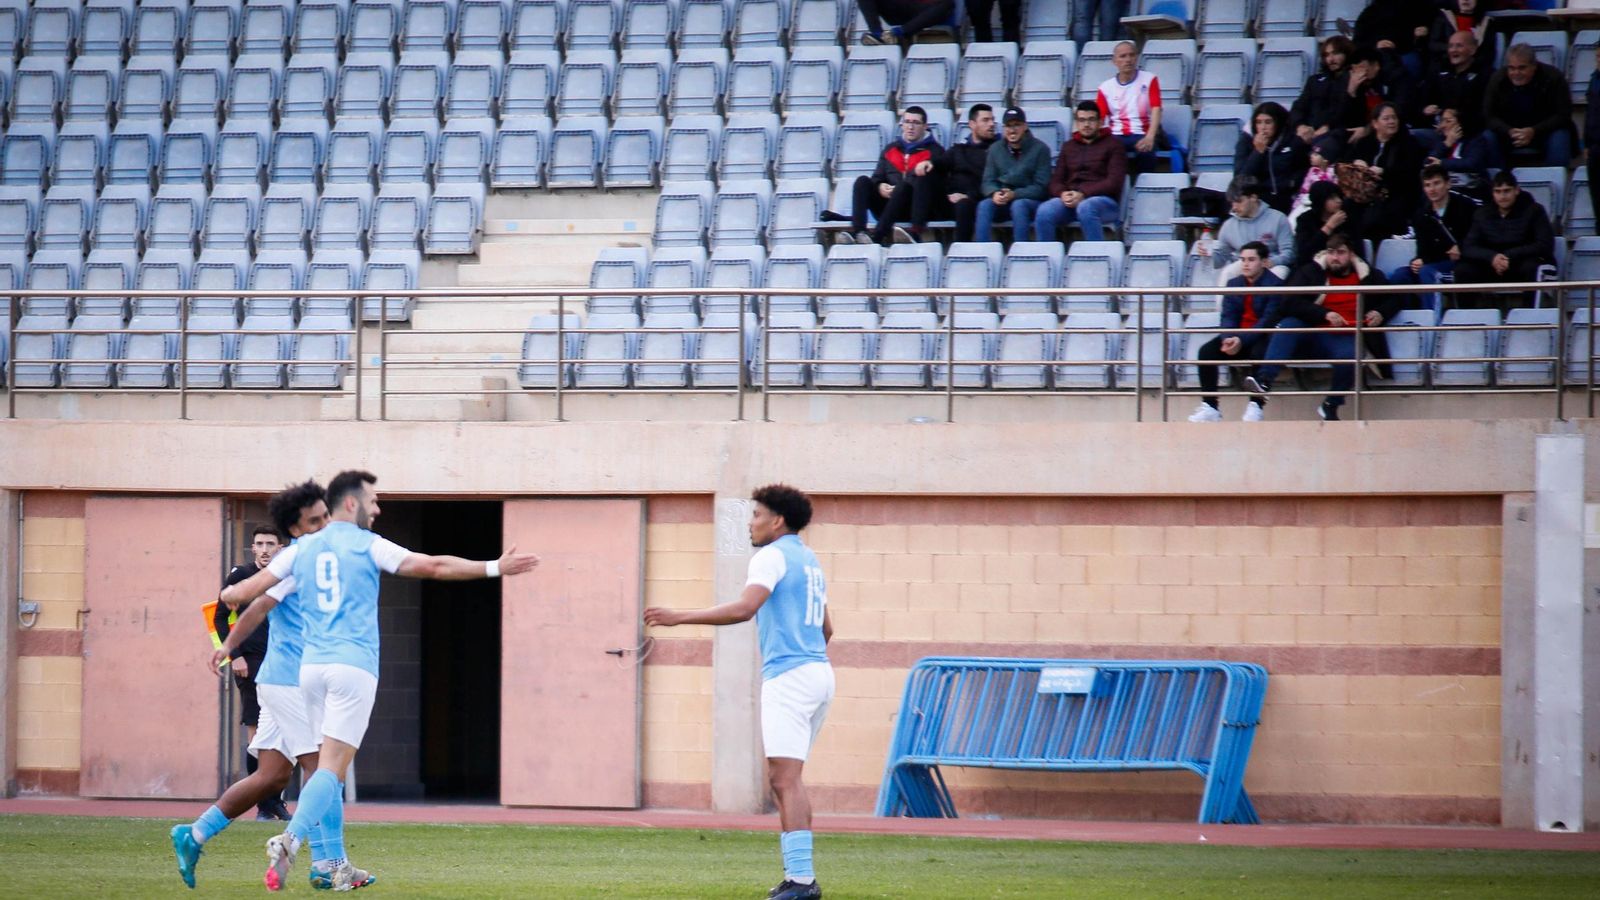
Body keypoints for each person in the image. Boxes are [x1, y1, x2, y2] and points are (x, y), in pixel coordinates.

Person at [215, 470, 541, 891]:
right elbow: (433, 566)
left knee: (317, 767)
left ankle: (323, 860)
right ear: (351, 504)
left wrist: (228, 600)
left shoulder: (303, 548)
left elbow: (248, 594)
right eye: (373, 500)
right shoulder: (368, 544)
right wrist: (495, 567)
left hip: (309, 670)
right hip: (352, 666)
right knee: (330, 769)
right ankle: (291, 840)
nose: (378, 508)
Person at [644, 485, 834, 900]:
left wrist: (679, 617)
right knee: (789, 779)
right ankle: (799, 877)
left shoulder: (771, 556)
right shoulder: (808, 558)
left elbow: (745, 608)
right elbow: (827, 628)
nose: (751, 523)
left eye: (757, 515)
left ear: (777, 521)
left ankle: (802, 882)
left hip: (791, 677)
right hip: (819, 674)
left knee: (784, 780)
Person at [172, 482, 359, 890]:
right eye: (317, 518)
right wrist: (229, 645)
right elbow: (255, 603)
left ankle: (195, 834)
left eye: (326, 516)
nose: (326, 523)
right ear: (298, 527)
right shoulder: (297, 560)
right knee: (324, 769)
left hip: (281, 680)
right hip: (289, 681)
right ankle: (328, 864)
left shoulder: (315, 559)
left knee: (271, 777)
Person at [1244, 234, 1400, 422]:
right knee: (1289, 325)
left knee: (1351, 355)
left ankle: (1331, 406)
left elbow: (1396, 297)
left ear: (1351, 255)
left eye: (1341, 253)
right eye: (1331, 252)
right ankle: (1263, 383)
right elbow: (1288, 302)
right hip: (1311, 332)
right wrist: (1324, 314)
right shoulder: (1311, 272)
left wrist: (1380, 312)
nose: (1335, 257)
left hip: (1344, 335)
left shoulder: (1369, 276)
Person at [217, 525, 290, 822]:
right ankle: (264, 806)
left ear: (280, 548)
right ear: (252, 547)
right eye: (259, 544)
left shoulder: (285, 575)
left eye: (270, 544)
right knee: (257, 734)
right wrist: (235, 656)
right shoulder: (240, 575)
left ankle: (275, 801)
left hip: (284, 664)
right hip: (252, 663)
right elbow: (219, 618)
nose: (264, 549)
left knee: (284, 735)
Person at [1187, 242, 1285, 424]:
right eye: (1243, 260)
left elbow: (1267, 322)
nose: (1245, 264)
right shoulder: (1234, 284)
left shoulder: (1276, 285)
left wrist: (1241, 340)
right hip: (1236, 337)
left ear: (1264, 262)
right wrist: (1228, 338)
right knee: (1206, 352)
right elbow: (1228, 316)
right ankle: (1210, 406)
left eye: (1251, 260)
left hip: (1262, 337)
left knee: (1259, 353)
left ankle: (1256, 406)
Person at [845, 106, 946, 246]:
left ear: (925, 126)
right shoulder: (890, 149)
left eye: (916, 123)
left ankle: (877, 237)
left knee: (903, 187)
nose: (910, 127)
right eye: (907, 122)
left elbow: (931, 184)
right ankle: (859, 232)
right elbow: (877, 177)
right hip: (889, 205)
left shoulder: (936, 152)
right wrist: (880, 186)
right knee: (862, 181)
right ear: (902, 125)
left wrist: (897, 188)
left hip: (914, 208)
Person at [1387, 164, 1479, 313]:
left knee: (1427, 271)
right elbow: (1423, 250)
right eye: (1427, 185)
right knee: (1400, 275)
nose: (1432, 189)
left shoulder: (1466, 207)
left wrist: (1461, 247)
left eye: (1436, 183)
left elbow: (1477, 236)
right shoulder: (1421, 214)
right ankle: (1409, 318)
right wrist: (1416, 262)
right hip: (1432, 262)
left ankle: (1430, 319)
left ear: (1448, 184)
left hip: (1460, 263)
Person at [1454, 170, 1556, 304]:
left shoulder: (1535, 210)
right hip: (1492, 265)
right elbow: (1469, 246)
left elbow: (1544, 244)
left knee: (1532, 267)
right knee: (1463, 270)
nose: (1502, 196)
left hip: (1522, 263)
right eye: (1498, 191)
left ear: (1516, 190)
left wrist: (1509, 256)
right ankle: (1466, 315)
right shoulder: (1482, 213)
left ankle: (1530, 315)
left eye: (1507, 191)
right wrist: (1492, 257)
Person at [1032, 101, 1126, 243]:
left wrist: (1083, 194)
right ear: (1076, 123)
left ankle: (1097, 254)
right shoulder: (1068, 147)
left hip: (1104, 202)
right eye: (1082, 120)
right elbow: (1055, 180)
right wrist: (1063, 193)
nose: (1086, 125)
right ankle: (1047, 255)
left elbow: (1114, 182)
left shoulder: (1114, 145)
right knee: (1044, 211)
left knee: (1086, 207)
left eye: (1091, 120)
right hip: (1071, 200)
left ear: (1100, 122)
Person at [1340, 102, 1427, 242]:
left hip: (1395, 192)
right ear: (1375, 123)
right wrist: (1357, 163)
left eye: (1394, 118)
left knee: (1379, 215)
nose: (1392, 122)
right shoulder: (1364, 142)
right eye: (1386, 118)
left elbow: (1410, 173)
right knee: (1348, 207)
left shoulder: (1408, 143)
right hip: (1365, 193)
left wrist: (1384, 172)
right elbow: (1346, 161)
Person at [1483, 43, 1574, 168]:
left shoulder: (1553, 77)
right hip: (1509, 133)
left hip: (1545, 132)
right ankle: (1498, 178)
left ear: (1534, 66)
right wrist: (1509, 131)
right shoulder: (1498, 79)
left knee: (1560, 138)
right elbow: (1489, 116)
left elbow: (1563, 114)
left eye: (1522, 68)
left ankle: (1555, 175)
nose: (1516, 73)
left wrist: (1534, 131)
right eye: (1511, 68)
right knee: (1488, 137)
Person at [974, 106, 1052, 243]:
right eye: (1008, 126)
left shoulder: (1041, 149)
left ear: (1025, 126)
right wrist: (994, 193)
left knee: (1019, 205)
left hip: (1030, 201)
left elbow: (1041, 188)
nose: (1012, 130)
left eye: (1016, 125)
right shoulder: (995, 149)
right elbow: (987, 181)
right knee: (985, 205)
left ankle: (1021, 250)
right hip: (1003, 200)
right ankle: (982, 249)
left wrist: (1015, 194)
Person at [1201, 178, 1294, 284]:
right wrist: (1207, 255)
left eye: (1239, 201)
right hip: (1243, 264)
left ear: (1253, 197)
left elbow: (1289, 253)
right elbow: (1220, 260)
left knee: (1279, 273)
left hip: (1271, 264)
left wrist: (1273, 262)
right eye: (1232, 202)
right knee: (1228, 273)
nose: (1234, 207)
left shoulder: (1278, 219)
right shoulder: (1229, 225)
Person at [1095, 41, 1163, 176]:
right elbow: (1100, 119)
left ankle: (1143, 184)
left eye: (1131, 55)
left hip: (1142, 132)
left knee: (1146, 151)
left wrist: (1150, 137)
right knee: (1106, 152)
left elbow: (1157, 109)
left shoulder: (1150, 79)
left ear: (1137, 57)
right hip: (1116, 135)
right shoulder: (1105, 87)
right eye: (1123, 56)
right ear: (1114, 61)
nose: (1128, 60)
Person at [1233, 102, 1309, 214]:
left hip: (1287, 197)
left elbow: (1304, 168)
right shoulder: (1246, 142)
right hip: (1258, 200)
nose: (1263, 127)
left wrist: (1291, 183)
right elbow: (1241, 178)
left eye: (1268, 122)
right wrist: (1257, 153)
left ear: (1277, 123)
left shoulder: (1293, 141)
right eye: (1258, 122)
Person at [1417, 29, 1490, 132]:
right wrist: (1425, 110)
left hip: (1470, 131)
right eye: (1450, 46)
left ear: (1473, 50)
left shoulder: (1485, 74)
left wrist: (1458, 118)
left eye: (1459, 46)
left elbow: (1484, 111)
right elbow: (1422, 101)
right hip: (1436, 130)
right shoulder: (1438, 70)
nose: (1453, 50)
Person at [944, 104, 998, 243]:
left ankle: (962, 250)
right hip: (952, 200)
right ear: (972, 124)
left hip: (977, 199)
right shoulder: (958, 149)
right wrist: (928, 163)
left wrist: (968, 195)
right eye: (986, 120)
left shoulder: (998, 150)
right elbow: (940, 163)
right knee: (926, 177)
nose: (992, 124)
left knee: (964, 205)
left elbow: (995, 182)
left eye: (992, 120)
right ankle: (912, 234)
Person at [1292, 36, 1358, 148]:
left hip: (1336, 135)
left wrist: (1328, 127)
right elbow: (1299, 107)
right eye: (1327, 55)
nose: (1330, 59)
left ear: (1347, 53)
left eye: (1335, 53)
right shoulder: (1314, 81)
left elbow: (1348, 112)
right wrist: (1300, 126)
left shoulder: (1353, 80)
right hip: (1309, 134)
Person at [1426, 107, 1495, 202]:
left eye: (1448, 121)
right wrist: (1447, 143)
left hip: (1470, 190)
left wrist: (1442, 163)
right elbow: (1428, 163)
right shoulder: (1442, 140)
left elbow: (1471, 163)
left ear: (1460, 123)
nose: (1443, 125)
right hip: (1446, 191)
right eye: (1442, 121)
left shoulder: (1476, 140)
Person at [1353, 0, 1436, 78]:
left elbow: (1429, 22)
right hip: (1378, 54)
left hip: (1406, 52)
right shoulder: (1370, 12)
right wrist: (1375, 44)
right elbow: (1358, 40)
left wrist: (1424, 30)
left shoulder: (1418, 6)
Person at [1294, 181, 1356, 264]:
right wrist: (1328, 227)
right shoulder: (1305, 219)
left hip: (1343, 264)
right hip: (1314, 264)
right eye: (1332, 198)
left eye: (1339, 197)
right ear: (1320, 200)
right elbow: (1304, 254)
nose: (1339, 201)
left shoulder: (1347, 218)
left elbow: (1357, 249)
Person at [1287, 137, 1341, 228]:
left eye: (1316, 154)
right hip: (1306, 202)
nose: (1311, 156)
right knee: (1292, 221)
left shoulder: (1334, 173)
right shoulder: (1312, 170)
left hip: (1323, 207)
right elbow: (1304, 189)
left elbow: (1332, 192)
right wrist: (1297, 204)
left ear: (1325, 160)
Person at [1426, 0, 1488, 74]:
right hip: (1444, 65)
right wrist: (1455, 48)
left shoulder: (1485, 23)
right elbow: (1433, 45)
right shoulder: (1444, 18)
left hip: (1474, 70)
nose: (1466, 0)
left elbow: (1487, 52)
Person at [858, 0, 957, 45]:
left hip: (931, 10)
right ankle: (877, 35)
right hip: (906, 7)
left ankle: (899, 34)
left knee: (947, 4)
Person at [1587, 44, 1600, 236]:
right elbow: (1590, 114)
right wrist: (1587, 142)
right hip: (1596, 147)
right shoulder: (1594, 79)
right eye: (1597, 57)